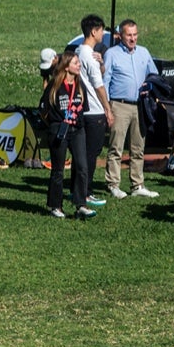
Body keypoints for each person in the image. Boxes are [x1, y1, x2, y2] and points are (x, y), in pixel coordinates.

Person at [101, 19, 159, 199]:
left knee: (138, 147)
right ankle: (113, 184)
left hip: (139, 106)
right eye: (129, 35)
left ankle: (137, 184)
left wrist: (149, 87)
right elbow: (105, 81)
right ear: (120, 36)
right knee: (116, 147)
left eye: (135, 35)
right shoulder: (112, 54)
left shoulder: (143, 52)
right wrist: (107, 108)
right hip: (119, 105)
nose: (133, 39)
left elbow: (154, 75)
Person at [73, 14, 114, 213]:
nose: (103, 34)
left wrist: (102, 64)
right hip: (95, 111)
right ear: (93, 31)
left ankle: (78, 189)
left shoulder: (79, 52)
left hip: (83, 111)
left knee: (83, 153)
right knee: (91, 154)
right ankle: (86, 192)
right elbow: (98, 85)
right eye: (101, 30)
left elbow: (97, 74)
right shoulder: (88, 54)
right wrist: (107, 108)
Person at [42, 49, 88, 218]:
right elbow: (43, 110)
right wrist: (55, 124)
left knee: (82, 166)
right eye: (76, 63)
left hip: (77, 130)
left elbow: (84, 108)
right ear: (67, 66)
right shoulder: (55, 86)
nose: (79, 65)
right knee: (58, 170)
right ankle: (55, 206)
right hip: (59, 131)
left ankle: (81, 204)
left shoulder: (80, 86)